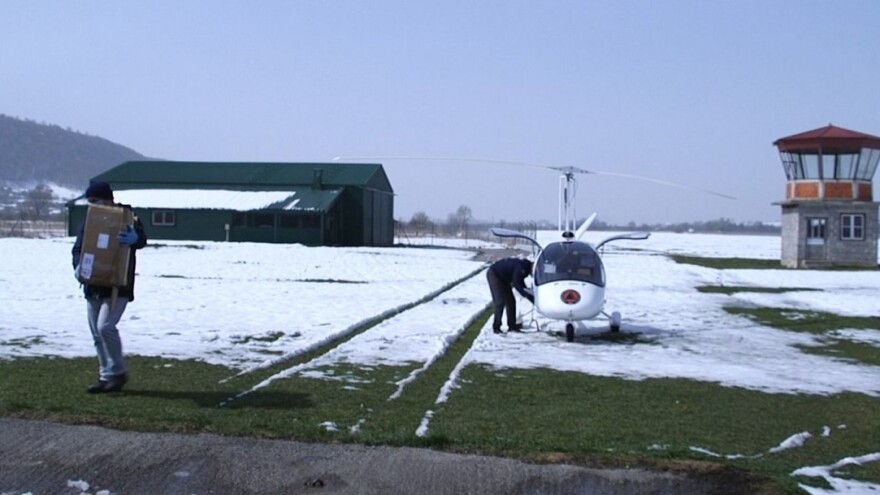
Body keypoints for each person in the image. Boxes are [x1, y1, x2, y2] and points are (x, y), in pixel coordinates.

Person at [71, 181, 147, 394]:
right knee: (96, 333)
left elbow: (142, 238)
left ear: (108, 199)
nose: (93, 204)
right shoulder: (89, 222)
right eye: (90, 201)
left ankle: (118, 372)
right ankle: (106, 377)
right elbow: (78, 249)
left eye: (97, 200)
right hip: (93, 285)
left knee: (106, 327)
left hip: (118, 286)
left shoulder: (127, 217)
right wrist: (78, 267)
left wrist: (134, 238)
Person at [486, 257, 534, 334]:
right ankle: (496, 327)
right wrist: (528, 296)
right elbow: (516, 284)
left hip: (504, 279)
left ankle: (512, 325)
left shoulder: (524, 267)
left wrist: (528, 292)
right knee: (500, 302)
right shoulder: (521, 267)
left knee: (511, 301)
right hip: (494, 275)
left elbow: (520, 282)